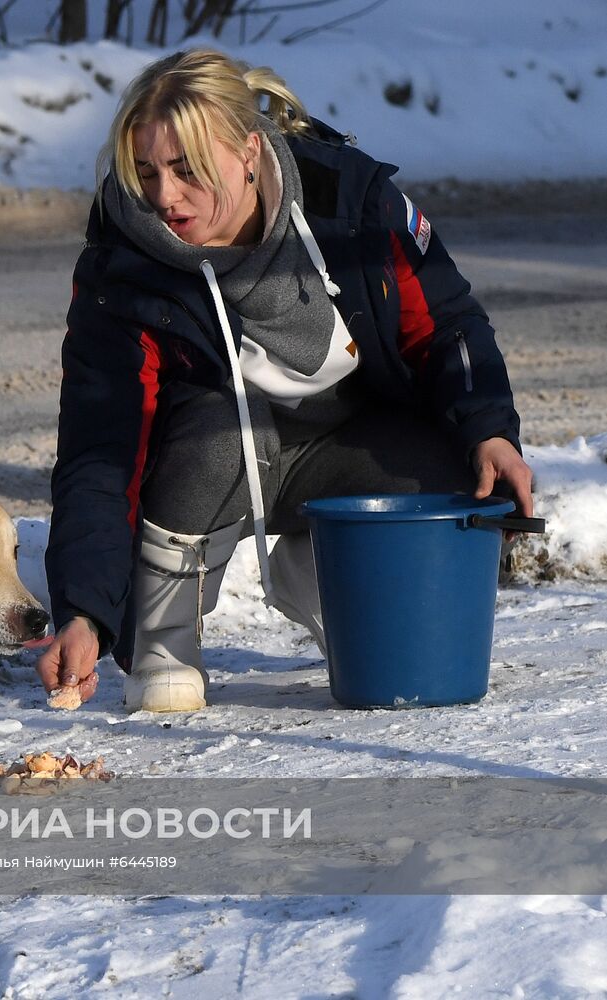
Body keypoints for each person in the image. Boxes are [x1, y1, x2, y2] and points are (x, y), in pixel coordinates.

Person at [37, 48, 534, 713]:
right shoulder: (122, 267)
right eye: (146, 172)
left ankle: (325, 574)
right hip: (207, 467)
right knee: (212, 432)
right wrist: (85, 613)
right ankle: (164, 635)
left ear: (247, 153)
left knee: (451, 479)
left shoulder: (350, 202)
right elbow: (100, 448)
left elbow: (444, 325)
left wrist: (490, 430)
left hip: (346, 447)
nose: (164, 196)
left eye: (186, 170)